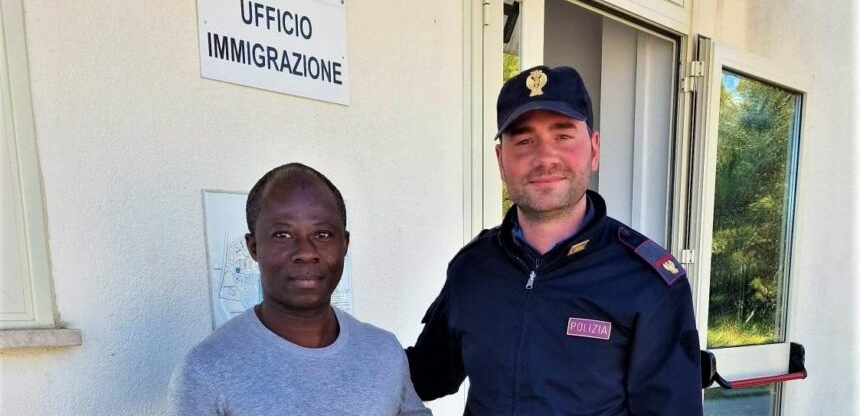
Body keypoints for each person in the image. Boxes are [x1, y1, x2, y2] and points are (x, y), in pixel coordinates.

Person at [406, 66, 703, 415]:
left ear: (594, 149)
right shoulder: (472, 269)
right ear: (501, 161)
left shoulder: (648, 283)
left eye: (563, 136)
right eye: (524, 141)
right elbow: (426, 376)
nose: (545, 157)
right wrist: (350, 340)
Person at [168, 163, 431, 416]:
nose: (306, 252)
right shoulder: (206, 370)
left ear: (344, 244)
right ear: (254, 247)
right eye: (283, 235)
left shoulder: (384, 351)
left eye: (322, 234)